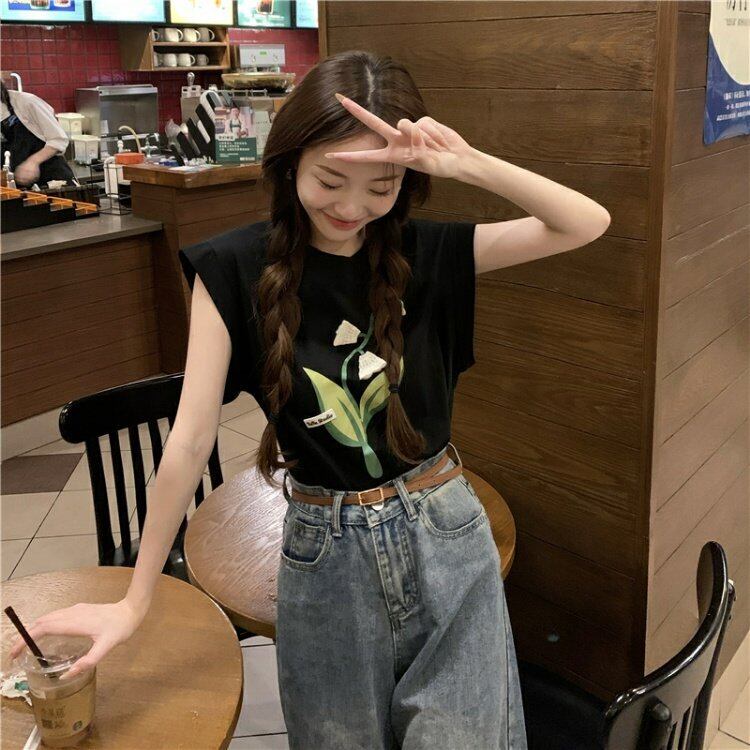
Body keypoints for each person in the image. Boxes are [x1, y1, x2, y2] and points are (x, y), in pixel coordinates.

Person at [7, 50, 610, 748]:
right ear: (289, 162)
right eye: (329, 180)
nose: (351, 209)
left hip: (446, 536)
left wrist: (467, 163)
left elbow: (585, 222)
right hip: (326, 558)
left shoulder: (432, 253)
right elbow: (191, 440)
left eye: (381, 187)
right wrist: (134, 601)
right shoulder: (232, 268)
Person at [0, 80, 76, 188]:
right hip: (15, 186)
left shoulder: (26, 102)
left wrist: (33, 162)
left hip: (53, 181)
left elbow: (58, 139)